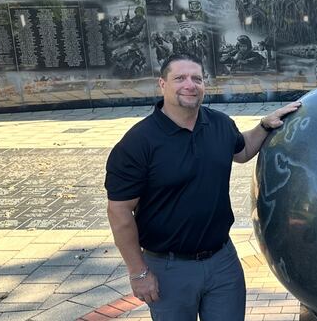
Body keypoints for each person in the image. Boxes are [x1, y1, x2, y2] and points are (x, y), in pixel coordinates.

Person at [105, 53, 301, 321]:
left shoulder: (219, 123)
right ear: (162, 84)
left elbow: (242, 150)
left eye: (196, 78)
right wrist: (138, 272)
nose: (190, 84)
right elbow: (119, 213)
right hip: (168, 269)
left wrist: (265, 125)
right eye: (180, 78)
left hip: (223, 263)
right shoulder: (138, 143)